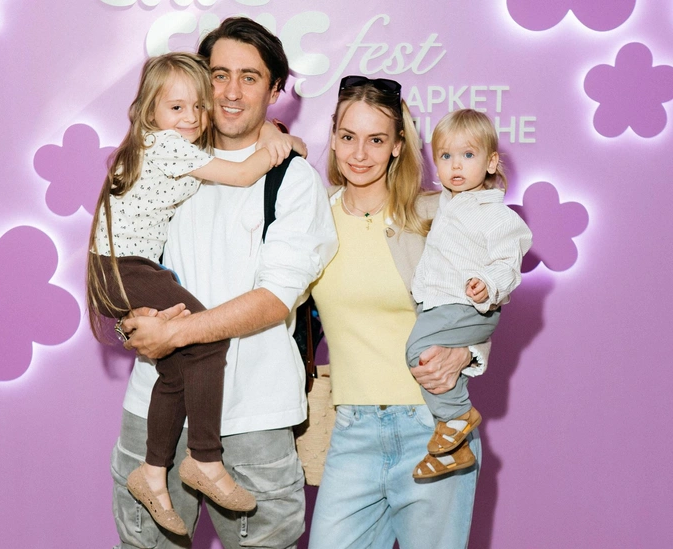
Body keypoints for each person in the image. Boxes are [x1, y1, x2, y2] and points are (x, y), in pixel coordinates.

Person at [110, 17, 338, 549]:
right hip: (156, 410)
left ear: (275, 90)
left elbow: (274, 299)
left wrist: (174, 334)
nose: (231, 92)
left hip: (253, 416)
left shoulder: (293, 180)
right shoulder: (160, 160)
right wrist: (129, 324)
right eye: (219, 75)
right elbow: (123, 264)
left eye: (250, 77)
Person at [308, 76, 490, 549]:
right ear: (333, 138)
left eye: (376, 140)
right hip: (352, 432)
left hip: (431, 428)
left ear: (396, 146)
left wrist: (466, 351)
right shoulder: (310, 219)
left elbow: (487, 290)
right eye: (348, 136)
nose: (359, 153)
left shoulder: (434, 214)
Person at [406, 108, 532, 479]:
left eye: (468, 155)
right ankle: (454, 451)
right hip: (440, 304)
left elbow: (508, 263)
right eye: (445, 156)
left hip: (467, 306)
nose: (456, 165)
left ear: (491, 162)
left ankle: (458, 416)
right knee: (432, 359)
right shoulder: (448, 203)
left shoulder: (497, 216)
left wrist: (488, 283)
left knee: (417, 350)